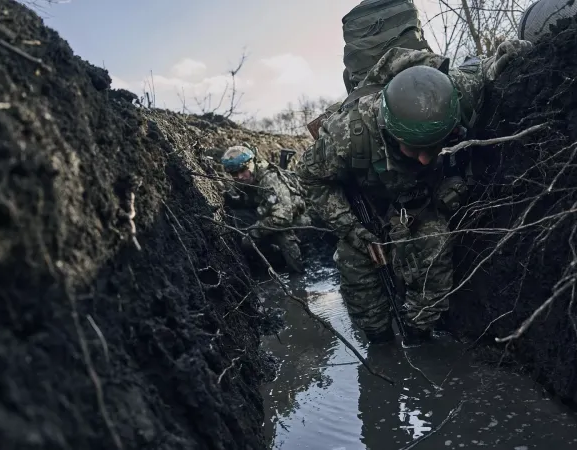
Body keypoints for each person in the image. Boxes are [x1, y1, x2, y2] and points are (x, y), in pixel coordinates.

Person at [296, 40, 532, 346]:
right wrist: (352, 228)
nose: (424, 158)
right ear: (390, 130)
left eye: (433, 147)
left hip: (421, 203)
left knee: (436, 246)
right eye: (414, 149)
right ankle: (379, 341)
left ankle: (420, 336)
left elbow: (482, 70)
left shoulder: (455, 95)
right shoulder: (348, 135)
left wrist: (503, 59)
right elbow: (310, 177)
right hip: (367, 209)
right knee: (359, 277)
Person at [221, 145, 310, 273]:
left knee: (283, 235)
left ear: (251, 163)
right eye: (234, 173)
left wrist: (255, 231)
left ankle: (298, 275)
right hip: (270, 215)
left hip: (298, 220)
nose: (240, 176)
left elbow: (283, 218)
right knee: (238, 218)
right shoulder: (246, 180)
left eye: (243, 170)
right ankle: (272, 260)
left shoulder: (269, 179)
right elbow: (246, 201)